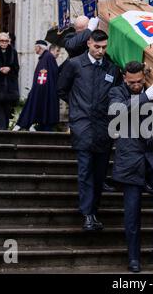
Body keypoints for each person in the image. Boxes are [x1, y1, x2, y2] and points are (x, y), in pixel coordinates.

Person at [109, 61, 153, 273]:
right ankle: (133, 256)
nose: (136, 85)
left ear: (144, 77)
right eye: (132, 82)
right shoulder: (117, 91)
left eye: (139, 82)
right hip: (131, 158)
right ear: (125, 77)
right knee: (132, 210)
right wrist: (145, 97)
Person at [58, 30, 122, 232]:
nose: (101, 51)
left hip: (104, 128)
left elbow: (117, 94)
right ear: (88, 43)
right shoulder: (75, 64)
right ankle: (87, 214)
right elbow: (61, 89)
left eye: (104, 47)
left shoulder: (112, 68)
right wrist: (77, 108)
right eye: (97, 47)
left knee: (100, 174)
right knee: (85, 170)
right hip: (83, 125)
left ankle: (93, 211)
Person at [13, 40, 59, 132]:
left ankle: (25, 125)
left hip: (44, 90)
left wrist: (38, 89)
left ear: (39, 47)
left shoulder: (48, 57)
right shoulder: (44, 57)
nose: (34, 49)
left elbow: (50, 75)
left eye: (35, 47)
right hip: (42, 89)